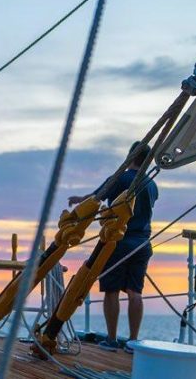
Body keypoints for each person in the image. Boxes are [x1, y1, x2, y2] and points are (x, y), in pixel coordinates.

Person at [68, 141, 158, 354]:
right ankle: (133, 341)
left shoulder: (120, 178)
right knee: (135, 292)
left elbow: (96, 198)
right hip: (142, 244)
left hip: (118, 241)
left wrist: (79, 202)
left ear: (130, 157)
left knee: (111, 291)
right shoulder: (151, 184)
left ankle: (111, 339)